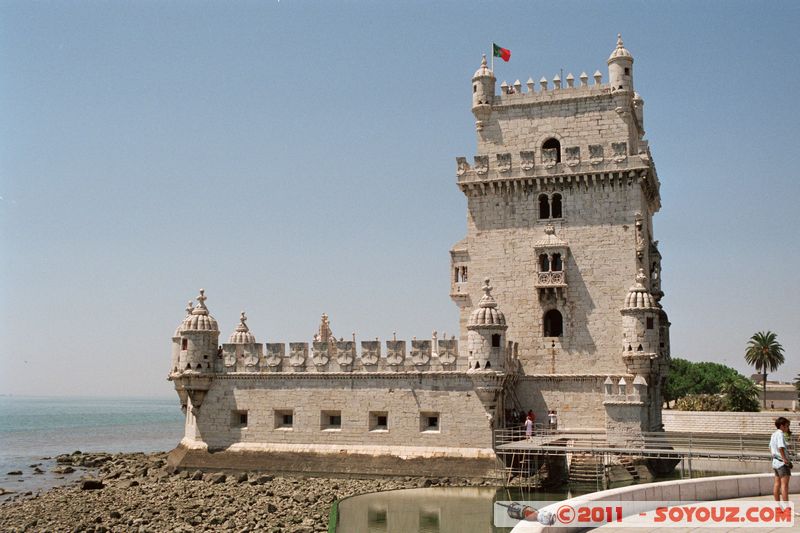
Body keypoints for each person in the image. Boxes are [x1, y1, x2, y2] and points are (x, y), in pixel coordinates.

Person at [771, 417, 793, 506]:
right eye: (787, 426)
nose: (788, 428)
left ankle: (778, 507)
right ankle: (787, 508)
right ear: (781, 426)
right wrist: (785, 459)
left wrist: (775, 456)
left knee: (777, 484)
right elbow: (780, 447)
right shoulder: (780, 434)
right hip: (782, 463)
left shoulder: (773, 434)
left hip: (775, 462)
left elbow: (770, 447)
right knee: (784, 485)